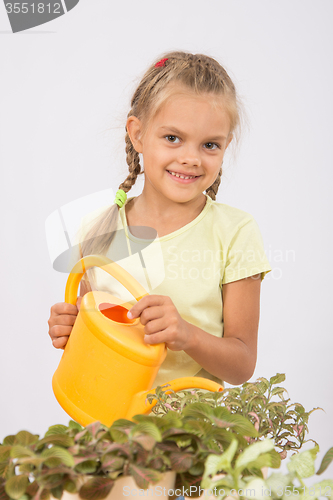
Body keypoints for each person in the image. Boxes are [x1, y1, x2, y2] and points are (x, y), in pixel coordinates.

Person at [48, 51, 272, 387]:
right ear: (137, 134)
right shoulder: (97, 229)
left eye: (210, 144)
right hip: (108, 430)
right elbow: (93, 338)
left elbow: (241, 365)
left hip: (191, 434)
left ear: (226, 146)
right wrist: (72, 326)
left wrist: (187, 335)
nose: (190, 158)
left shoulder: (235, 233)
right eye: (172, 138)